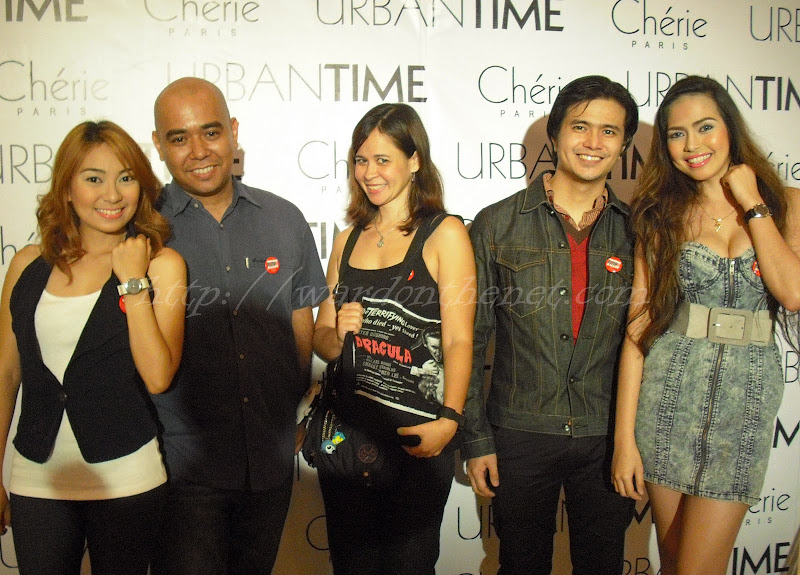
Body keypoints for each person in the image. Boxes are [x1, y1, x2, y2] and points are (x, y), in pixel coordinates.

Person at [612, 75, 800, 575]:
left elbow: (793, 293)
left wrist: (752, 201)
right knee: (674, 562)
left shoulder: (787, 204)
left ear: (730, 128)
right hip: (669, 396)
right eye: (677, 134)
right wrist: (625, 441)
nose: (692, 144)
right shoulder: (661, 215)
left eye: (705, 127)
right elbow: (638, 328)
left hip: (746, 402)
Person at [148, 77, 328, 575]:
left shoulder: (284, 219)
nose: (198, 151)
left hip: (269, 463)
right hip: (181, 467)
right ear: (158, 144)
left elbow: (301, 327)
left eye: (210, 132)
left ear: (233, 131)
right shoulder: (144, 228)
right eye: (179, 138)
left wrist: (291, 411)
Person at [464, 75, 639, 575]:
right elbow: (469, 340)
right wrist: (476, 439)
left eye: (609, 131)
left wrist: (636, 441)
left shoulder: (637, 231)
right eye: (580, 127)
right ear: (556, 133)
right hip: (520, 432)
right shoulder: (497, 224)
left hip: (607, 436)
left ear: (624, 144)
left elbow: (648, 342)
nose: (593, 142)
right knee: (520, 565)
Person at [0, 120, 186, 574]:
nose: (112, 194)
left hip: (128, 478)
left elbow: (158, 376)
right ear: (67, 189)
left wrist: (133, 281)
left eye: (125, 178)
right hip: (36, 478)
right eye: (93, 178)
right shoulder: (26, 264)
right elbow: (5, 375)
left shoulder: (162, 265)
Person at [312, 102, 476, 575]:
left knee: (410, 565)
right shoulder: (346, 240)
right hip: (347, 435)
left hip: (416, 439)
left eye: (383, 159)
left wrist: (449, 420)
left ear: (415, 160)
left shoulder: (445, 233)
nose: (370, 172)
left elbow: (460, 340)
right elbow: (322, 340)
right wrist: (336, 332)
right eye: (361, 160)